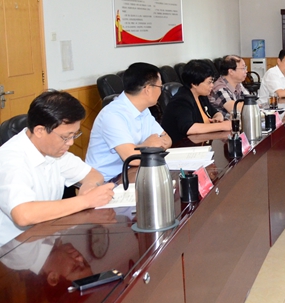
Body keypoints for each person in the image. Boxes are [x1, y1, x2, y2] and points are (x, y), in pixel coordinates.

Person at [0, 91, 115, 246]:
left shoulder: (54, 151)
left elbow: (93, 175)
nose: (71, 143)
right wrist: (85, 201)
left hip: (46, 238)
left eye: (74, 135)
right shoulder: (11, 160)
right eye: (66, 137)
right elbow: (23, 214)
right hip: (13, 250)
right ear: (40, 131)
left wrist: (88, 188)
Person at [86, 62, 172, 181]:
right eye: (160, 87)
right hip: (106, 180)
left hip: (133, 172)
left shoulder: (144, 110)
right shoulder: (112, 115)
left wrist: (145, 147)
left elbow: (167, 140)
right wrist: (148, 145)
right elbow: (132, 159)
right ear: (148, 89)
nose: (161, 91)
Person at [161, 59, 231, 143]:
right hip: (182, 145)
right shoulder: (181, 100)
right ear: (194, 84)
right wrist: (222, 126)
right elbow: (189, 128)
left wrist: (218, 117)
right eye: (209, 82)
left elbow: (215, 112)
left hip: (200, 143)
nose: (212, 85)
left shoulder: (201, 95)